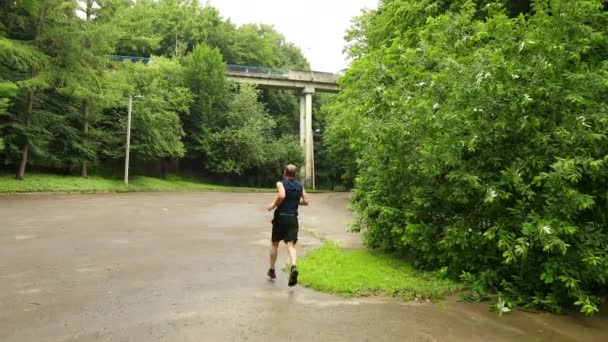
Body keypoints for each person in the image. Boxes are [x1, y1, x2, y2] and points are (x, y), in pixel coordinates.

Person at [266, 164, 310, 286]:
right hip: (292, 218)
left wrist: (273, 205)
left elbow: (282, 195)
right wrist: (296, 202)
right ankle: (294, 267)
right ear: (295, 174)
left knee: (275, 243)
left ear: (285, 173)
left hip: (280, 217)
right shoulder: (300, 186)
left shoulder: (280, 183)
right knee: (291, 245)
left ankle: (272, 270)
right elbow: (306, 201)